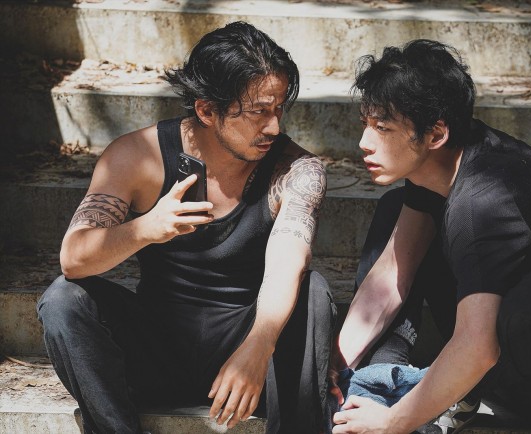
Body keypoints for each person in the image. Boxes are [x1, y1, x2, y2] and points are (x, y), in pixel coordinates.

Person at [37, 21, 335, 434]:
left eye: (279, 108)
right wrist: (146, 228)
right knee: (62, 299)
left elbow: (290, 263)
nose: (274, 127)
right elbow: (74, 259)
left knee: (314, 290)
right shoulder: (135, 156)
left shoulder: (297, 171)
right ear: (206, 110)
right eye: (258, 112)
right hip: (157, 350)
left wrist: (258, 346)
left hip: (246, 355)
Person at [329, 39, 531, 434]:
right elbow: (391, 275)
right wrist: (335, 363)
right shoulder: (444, 157)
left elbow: (479, 347)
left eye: (382, 128)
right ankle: (385, 373)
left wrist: (391, 424)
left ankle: (440, 401)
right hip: (511, 335)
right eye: (366, 124)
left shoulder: (481, 202)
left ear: (435, 134)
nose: (364, 143)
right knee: (394, 210)